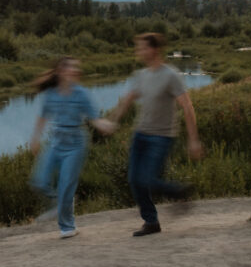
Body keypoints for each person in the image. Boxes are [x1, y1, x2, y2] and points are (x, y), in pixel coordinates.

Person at [108, 32, 204, 236]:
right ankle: (151, 222)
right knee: (134, 180)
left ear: (154, 49)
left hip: (162, 137)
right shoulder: (141, 75)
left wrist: (193, 140)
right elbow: (128, 99)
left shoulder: (170, 75)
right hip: (140, 134)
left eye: (142, 47)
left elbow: (187, 106)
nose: (139, 52)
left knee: (148, 179)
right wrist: (113, 121)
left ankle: (178, 192)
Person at [29, 57, 114, 239]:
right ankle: (58, 204)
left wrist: (104, 125)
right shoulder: (51, 94)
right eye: (71, 68)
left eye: (76, 68)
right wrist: (35, 138)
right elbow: (43, 117)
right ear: (61, 71)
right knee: (40, 180)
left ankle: (67, 226)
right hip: (55, 141)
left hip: (76, 144)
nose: (75, 71)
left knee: (66, 184)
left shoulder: (82, 94)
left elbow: (94, 118)